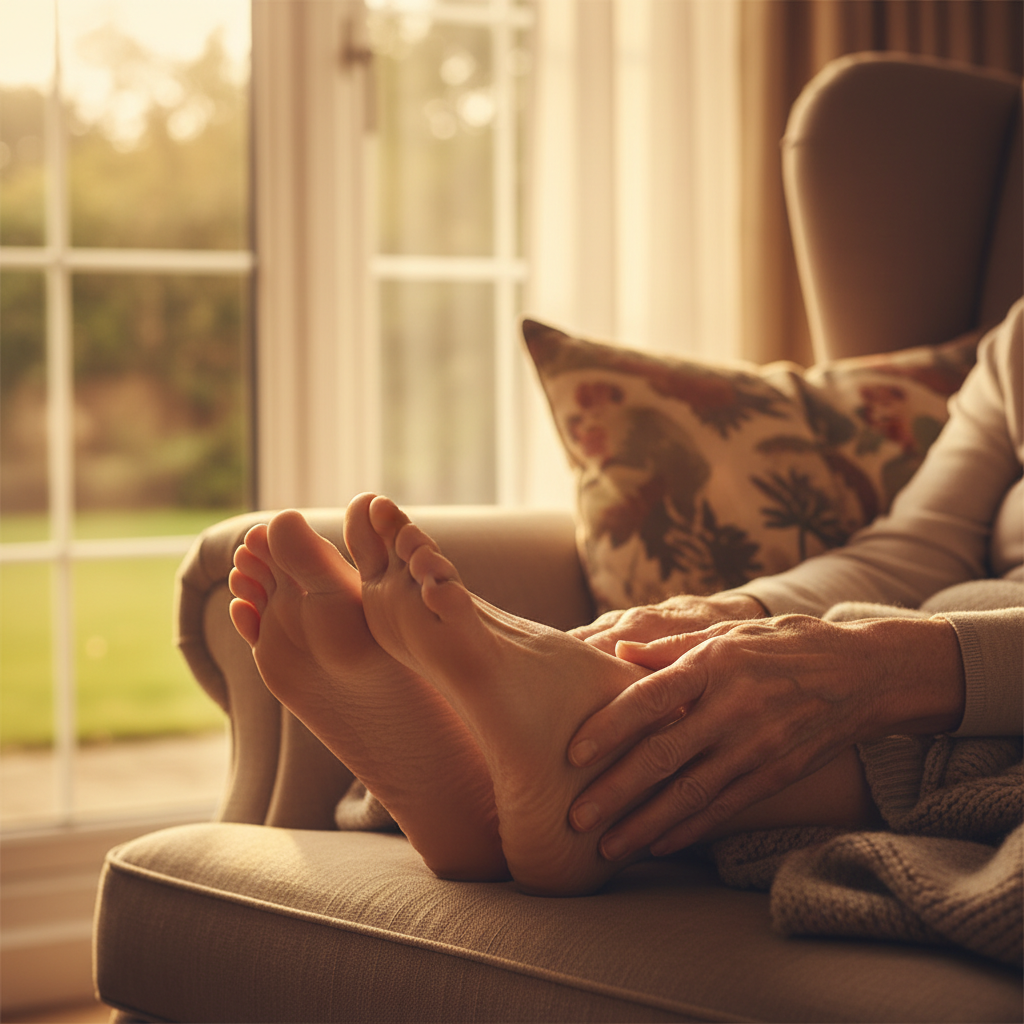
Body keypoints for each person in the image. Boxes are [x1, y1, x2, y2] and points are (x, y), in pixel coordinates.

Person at [227, 300, 1022, 900]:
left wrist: (910, 667)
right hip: (960, 611)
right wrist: (741, 615)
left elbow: (911, 638)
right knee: (771, 661)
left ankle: (570, 776)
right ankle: (494, 790)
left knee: (943, 729)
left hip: (976, 657)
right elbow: (919, 545)